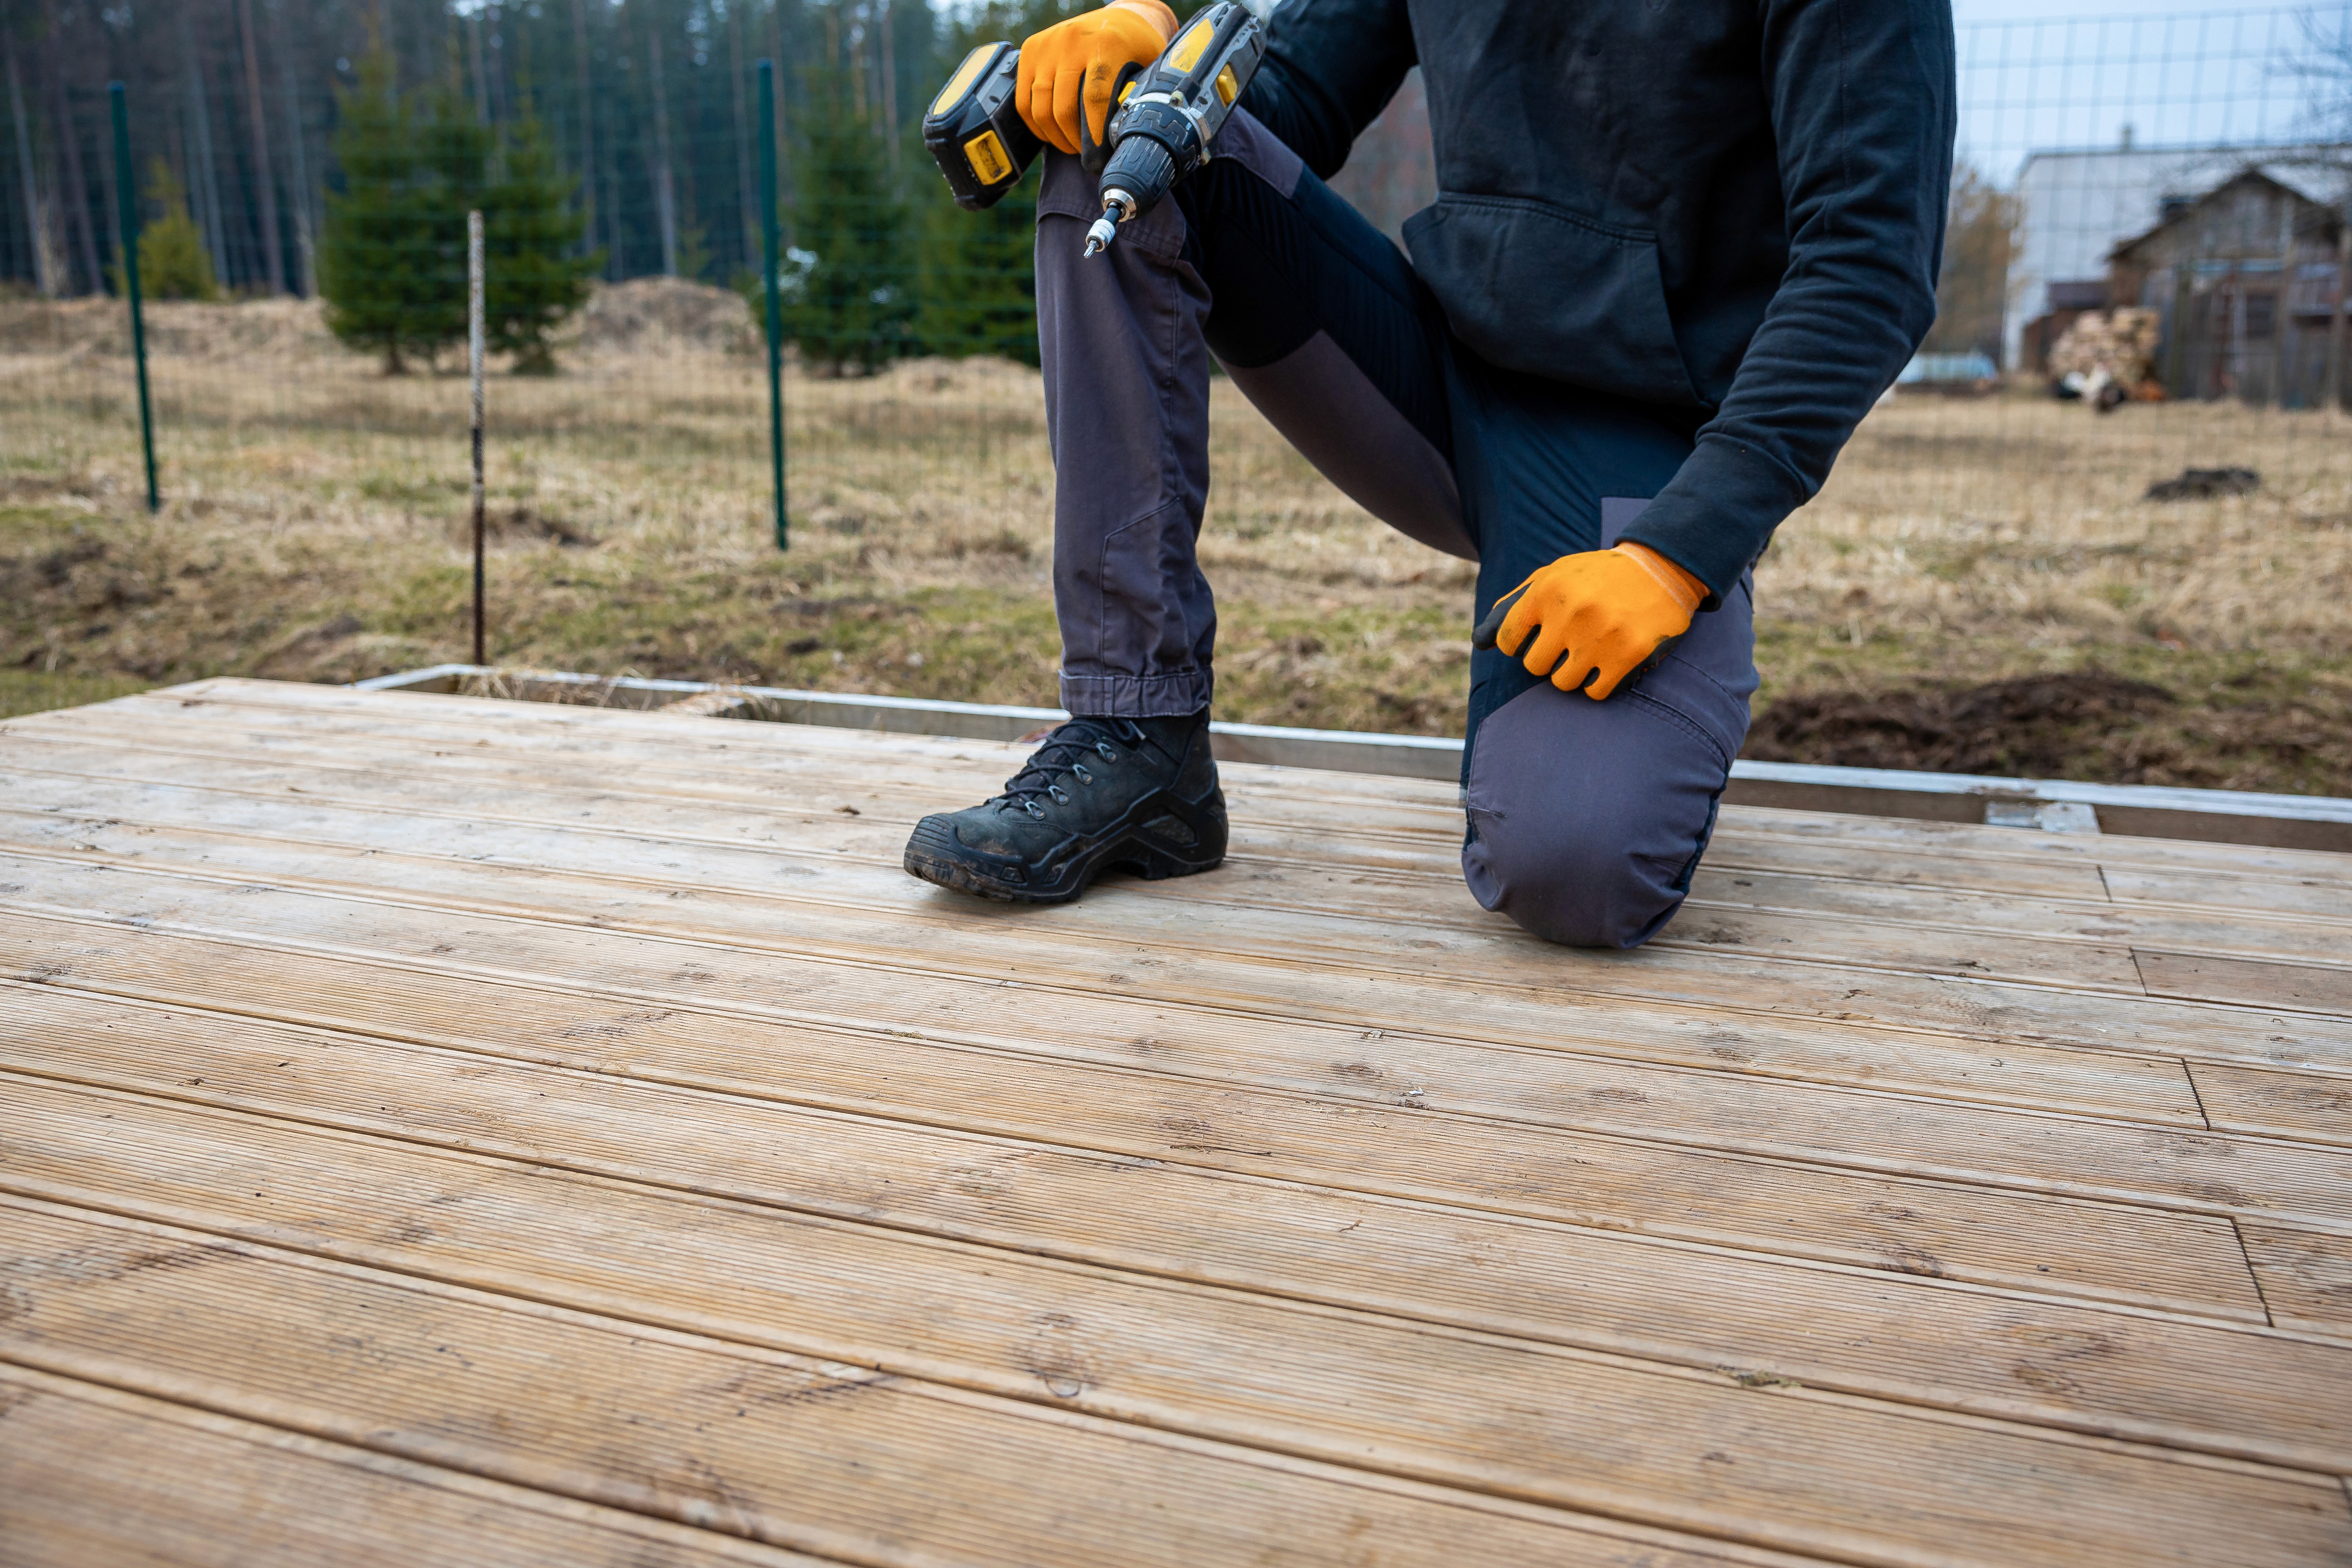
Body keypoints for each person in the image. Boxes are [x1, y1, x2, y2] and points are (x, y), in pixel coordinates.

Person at [903, 0, 1956, 947]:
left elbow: (1867, 268)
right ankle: (1140, 731)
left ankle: (1628, 636)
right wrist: (1154, 37)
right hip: (1437, 380)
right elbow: (1292, 100)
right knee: (1136, 131)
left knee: (1574, 866)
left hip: (1648, 444)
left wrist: (1677, 556)